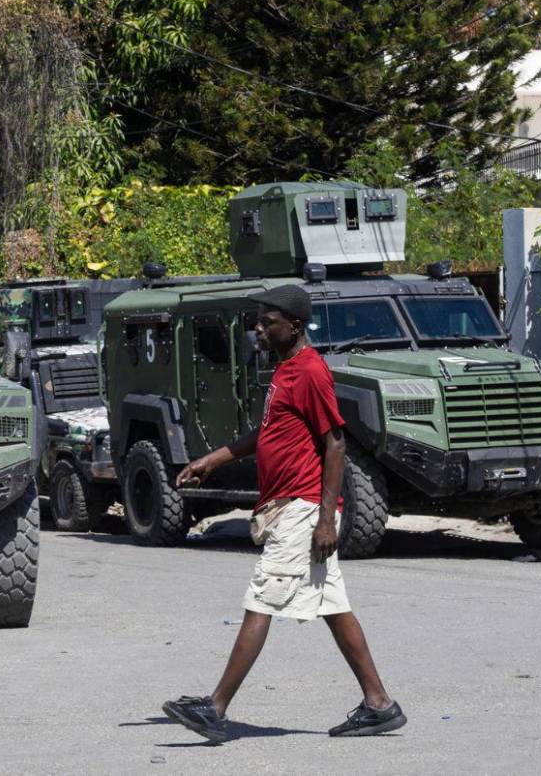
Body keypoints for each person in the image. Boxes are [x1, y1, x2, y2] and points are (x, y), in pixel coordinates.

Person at [161, 284, 405, 742]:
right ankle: (379, 704)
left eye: (267, 322)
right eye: (258, 321)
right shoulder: (285, 370)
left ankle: (215, 708)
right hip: (293, 505)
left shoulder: (311, 371)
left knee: (261, 600)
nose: (258, 329)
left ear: (294, 325)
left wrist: (328, 517)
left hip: (301, 508)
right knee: (334, 606)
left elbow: (335, 442)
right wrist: (210, 461)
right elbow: (268, 431)